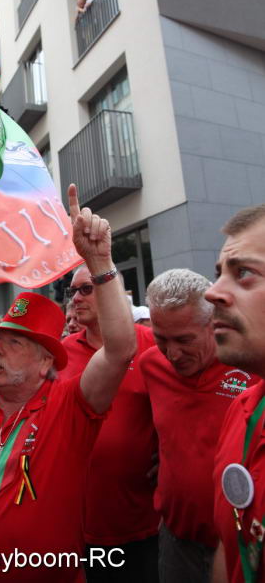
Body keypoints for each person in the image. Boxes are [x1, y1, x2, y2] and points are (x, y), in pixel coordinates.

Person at [0, 184, 135, 582]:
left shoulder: (70, 405)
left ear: (45, 362)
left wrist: (100, 262)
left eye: (14, 343)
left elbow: (120, 351)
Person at [140, 269, 258, 583]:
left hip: (240, 543)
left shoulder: (249, 365)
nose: (172, 354)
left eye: (184, 340)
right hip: (177, 540)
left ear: (214, 321)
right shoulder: (151, 365)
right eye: (161, 338)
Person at [61, 264, 159, 582]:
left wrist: (172, 455)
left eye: (86, 289)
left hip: (142, 521)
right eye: (73, 291)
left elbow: (179, 406)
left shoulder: (150, 345)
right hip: (79, 524)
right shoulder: (61, 354)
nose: (76, 298)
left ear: (111, 291)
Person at [205, 204, 265, 583]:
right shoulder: (243, 409)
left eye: (244, 273)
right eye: (219, 274)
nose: (212, 292)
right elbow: (230, 544)